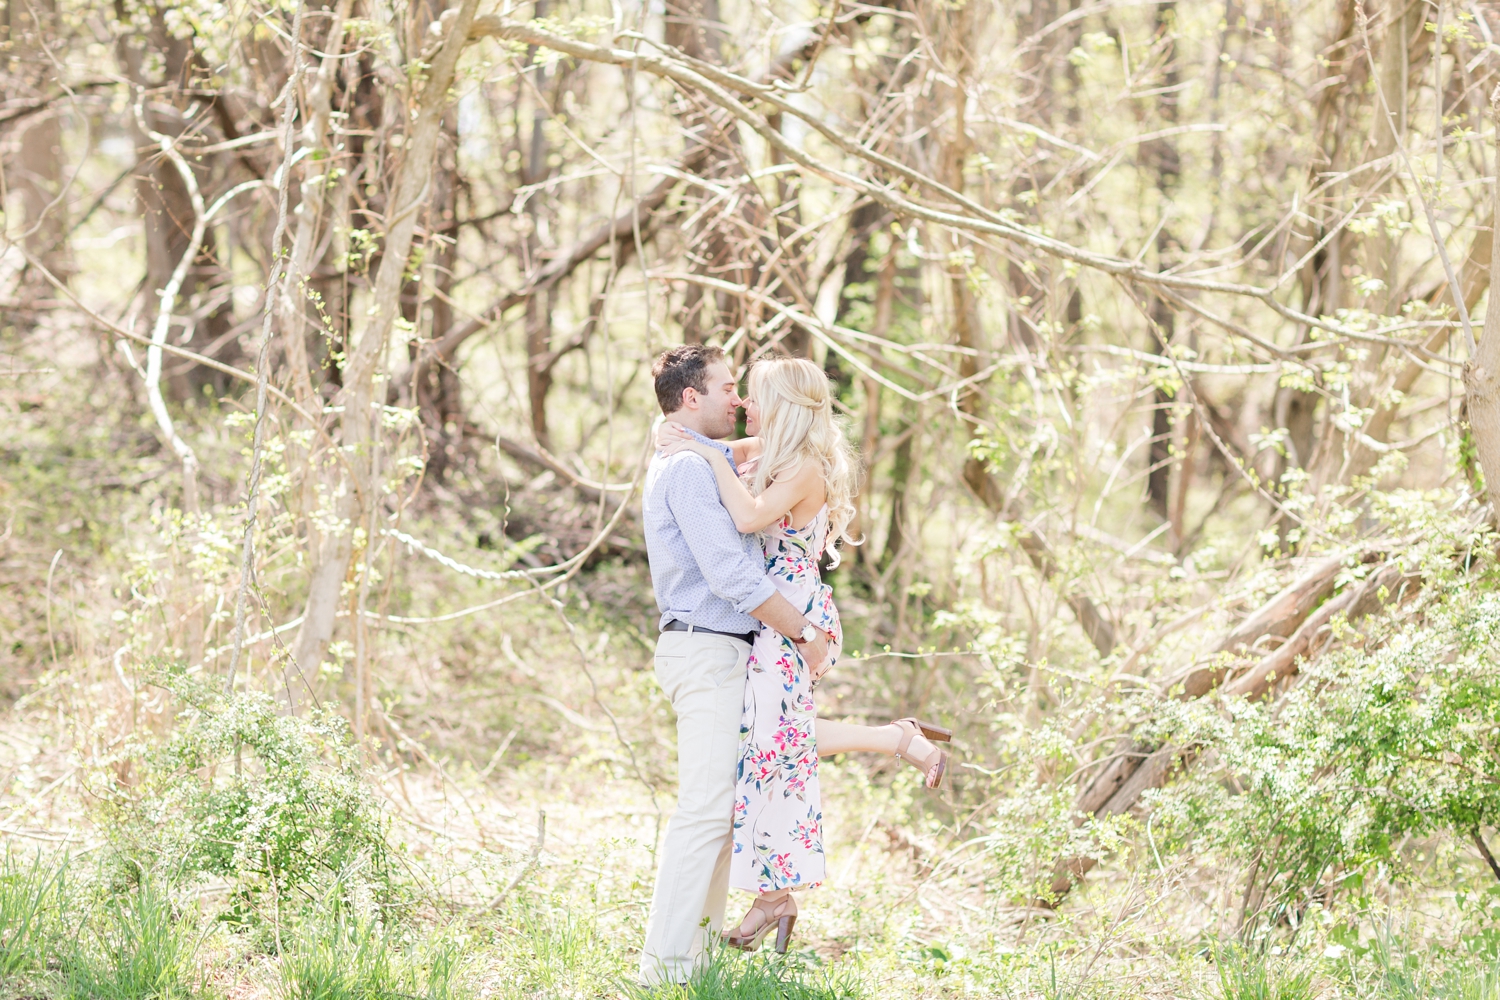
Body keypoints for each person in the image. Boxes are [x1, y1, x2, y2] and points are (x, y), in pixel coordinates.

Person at [657, 356, 951, 956]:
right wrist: (688, 440)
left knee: (775, 742)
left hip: (793, 612)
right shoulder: (771, 454)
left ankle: (895, 741)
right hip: (778, 614)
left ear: (783, 406)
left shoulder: (803, 469)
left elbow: (742, 514)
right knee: (772, 743)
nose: (745, 407)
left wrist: (706, 452)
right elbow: (717, 448)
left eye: (755, 398)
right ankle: (775, 894)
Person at [637, 345, 835, 987]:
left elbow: (742, 464)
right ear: (691, 398)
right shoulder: (691, 469)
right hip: (707, 643)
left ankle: (690, 962)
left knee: (722, 808)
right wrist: (805, 631)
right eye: (727, 387)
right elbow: (728, 572)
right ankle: (665, 972)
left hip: (730, 649)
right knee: (704, 809)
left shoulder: (703, 458)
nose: (738, 398)